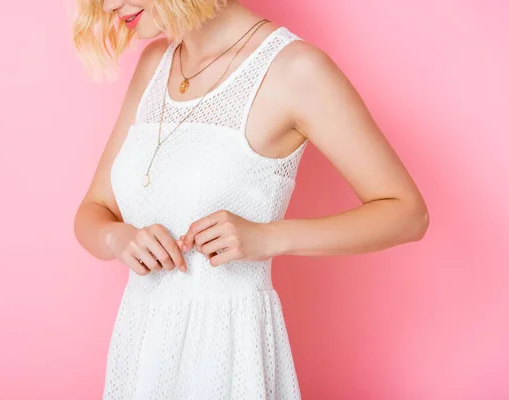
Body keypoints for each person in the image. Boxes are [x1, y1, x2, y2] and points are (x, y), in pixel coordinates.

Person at [72, 0, 430, 398]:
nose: (108, 5)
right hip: (141, 346)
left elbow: (407, 213)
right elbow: (94, 209)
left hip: (229, 352)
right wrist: (118, 239)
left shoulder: (295, 70)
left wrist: (269, 237)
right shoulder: (155, 62)